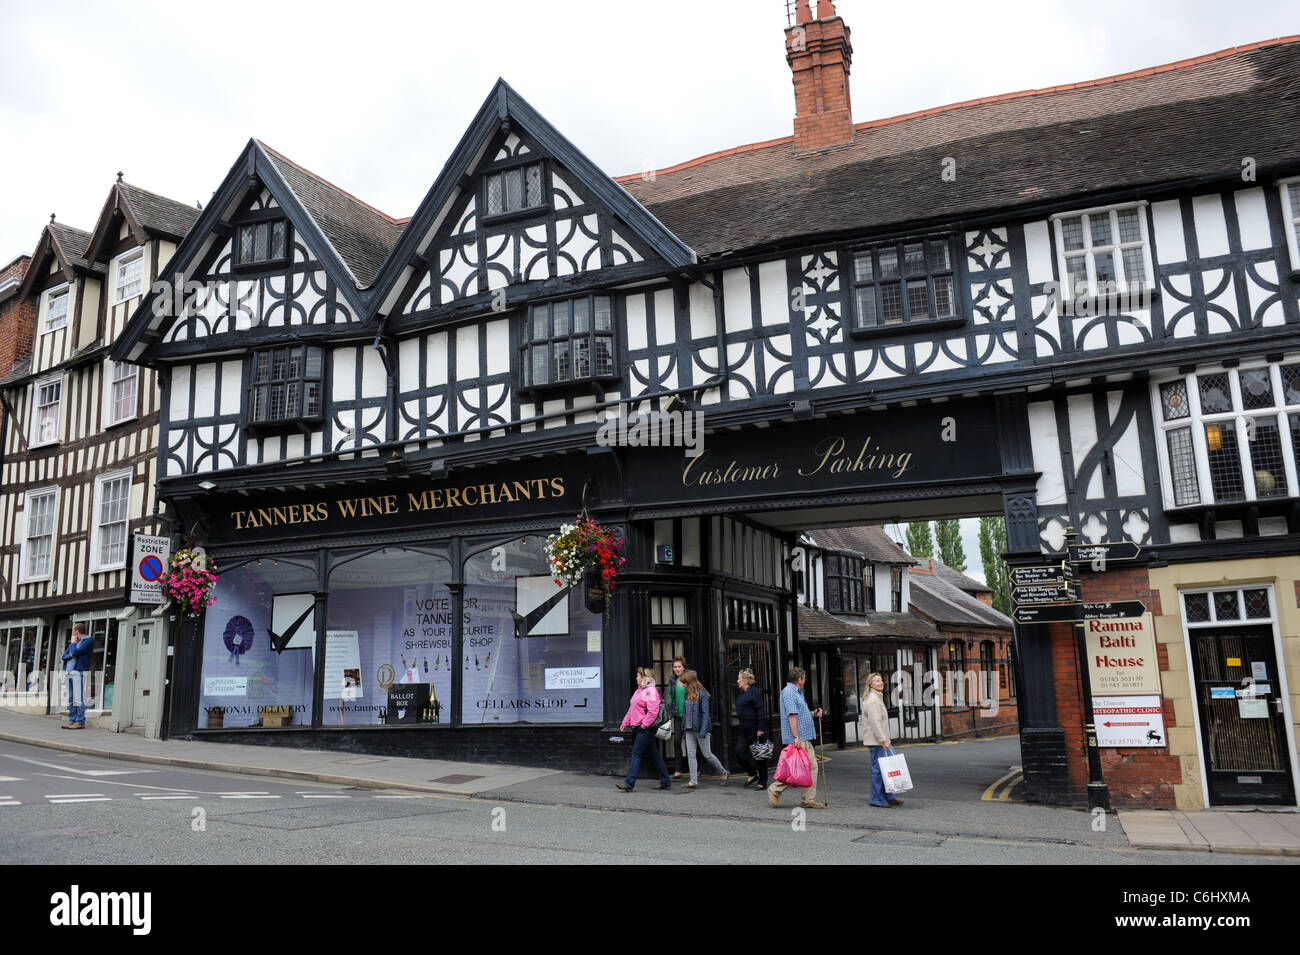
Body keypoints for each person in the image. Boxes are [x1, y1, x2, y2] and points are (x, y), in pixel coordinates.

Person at [769, 666, 823, 809]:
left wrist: (813, 714)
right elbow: (792, 715)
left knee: (811, 767)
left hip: (804, 736)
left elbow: (800, 714)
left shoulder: (797, 692)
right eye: (804, 678)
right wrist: (796, 737)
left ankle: (807, 799)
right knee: (795, 769)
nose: (805, 681)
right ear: (799, 679)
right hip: (799, 737)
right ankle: (774, 790)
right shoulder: (789, 692)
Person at [616, 667, 672, 792]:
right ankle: (666, 781)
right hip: (639, 727)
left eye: (638, 675)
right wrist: (625, 722)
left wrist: (644, 725)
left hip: (645, 728)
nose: (636, 678)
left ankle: (629, 784)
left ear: (643, 677)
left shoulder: (651, 691)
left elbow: (653, 711)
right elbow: (632, 708)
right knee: (655, 755)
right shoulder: (639, 690)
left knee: (636, 754)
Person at [860, 671, 902, 807]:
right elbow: (875, 723)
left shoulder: (876, 697)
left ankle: (889, 795)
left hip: (880, 740)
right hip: (877, 741)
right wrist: (883, 740)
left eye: (881, 680)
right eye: (877, 681)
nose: (881, 682)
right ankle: (877, 799)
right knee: (878, 770)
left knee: (886, 768)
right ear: (870, 684)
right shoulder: (872, 700)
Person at [679, 670, 728, 787]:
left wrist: (703, 731)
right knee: (691, 755)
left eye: (685, 683)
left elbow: (706, 715)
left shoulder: (702, 695)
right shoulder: (686, 694)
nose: (683, 685)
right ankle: (693, 781)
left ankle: (724, 772)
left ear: (690, 682)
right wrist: (684, 727)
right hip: (689, 729)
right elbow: (686, 713)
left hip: (700, 729)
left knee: (707, 754)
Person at [734, 668, 768, 790]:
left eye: (739, 678)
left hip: (755, 728)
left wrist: (761, 728)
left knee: (759, 756)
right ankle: (752, 774)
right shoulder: (742, 693)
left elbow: (760, 710)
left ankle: (763, 782)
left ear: (745, 680)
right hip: (744, 729)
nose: (737, 681)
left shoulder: (754, 692)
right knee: (739, 753)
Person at [61, 623, 95, 730]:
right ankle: (72, 720)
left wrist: (73, 644)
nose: (72, 632)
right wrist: (71, 653)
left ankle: (80, 721)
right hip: (69, 672)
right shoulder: (76, 642)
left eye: (73, 630)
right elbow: (64, 655)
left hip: (79, 671)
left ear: (77, 631)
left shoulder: (88, 641)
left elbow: (76, 652)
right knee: (71, 697)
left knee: (78, 698)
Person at [667, 656, 689, 778]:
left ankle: (697, 770)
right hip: (678, 716)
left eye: (679, 666)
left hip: (688, 715)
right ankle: (679, 770)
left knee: (691, 743)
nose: (676, 669)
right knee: (677, 742)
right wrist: (671, 708)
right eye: (675, 667)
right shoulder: (672, 680)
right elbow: (670, 695)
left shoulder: (689, 679)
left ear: (684, 667)